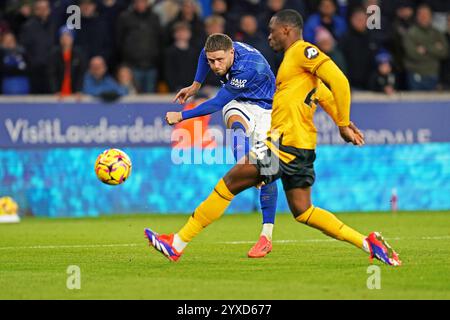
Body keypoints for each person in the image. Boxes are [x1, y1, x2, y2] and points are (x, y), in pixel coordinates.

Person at [145, 10, 402, 267]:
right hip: (301, 149)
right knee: (304, 211)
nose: (268, 37)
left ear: (287, 31)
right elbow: (323, 94)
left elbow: (340, 82)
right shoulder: (293, 66)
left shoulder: (302, 52)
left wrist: (344, 123)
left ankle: (176, 244)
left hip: (284, 145)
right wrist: (339, 122)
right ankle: (369, 243)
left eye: (272, 31)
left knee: (229, 183)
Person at [165, 33, 279, 258]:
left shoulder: (248, 67)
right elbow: (202, 54)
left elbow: (217, 102)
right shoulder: (219, 48)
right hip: (242, 103)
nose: (215, 66)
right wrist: (196, 84)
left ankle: (266, 236)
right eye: (212, 61)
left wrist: (181, 116)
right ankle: (246, 163)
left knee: (269, 170)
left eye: (220, 60)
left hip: (269, 110)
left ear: (231, 53)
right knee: (232, 115)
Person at [403, 4, 448, 91]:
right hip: (415, 76)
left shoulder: (437, 33)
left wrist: (425, 49)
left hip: (433, 75)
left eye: (426, 14)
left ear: (431, 16)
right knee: (415, 103)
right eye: (421, 14)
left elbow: (444, 52)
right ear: (417, 16)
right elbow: (412, 54)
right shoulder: (411, 33)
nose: (423, 17)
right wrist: (435, 50)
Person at [49, 26, 86, 98]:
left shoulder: (78, 54)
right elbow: (51, 74)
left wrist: (79, 90)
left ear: (72, 38)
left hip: (74, 93)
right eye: (63, 36)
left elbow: (81, 74)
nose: (65, 39)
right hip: (58, 94)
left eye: (68, 36)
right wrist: (55, 91)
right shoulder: (54, 54)